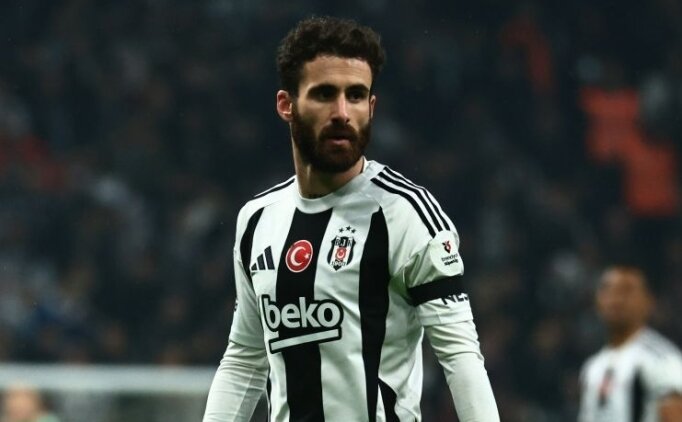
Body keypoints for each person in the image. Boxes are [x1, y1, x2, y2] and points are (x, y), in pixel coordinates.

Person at [203, 16, 499, 421]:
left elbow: (461, 357)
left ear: (371, 107)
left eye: (356, 95)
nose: (342, 112)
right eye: (325, 94)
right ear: (286, 105)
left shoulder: (406, 213)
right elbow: (244, 359)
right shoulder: (258, 220)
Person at [578, 266, 682, 422]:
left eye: (626, 291)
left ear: (649, 301)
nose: (615, 299)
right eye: (608, 290)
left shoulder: (662, 360)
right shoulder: (592, 367)